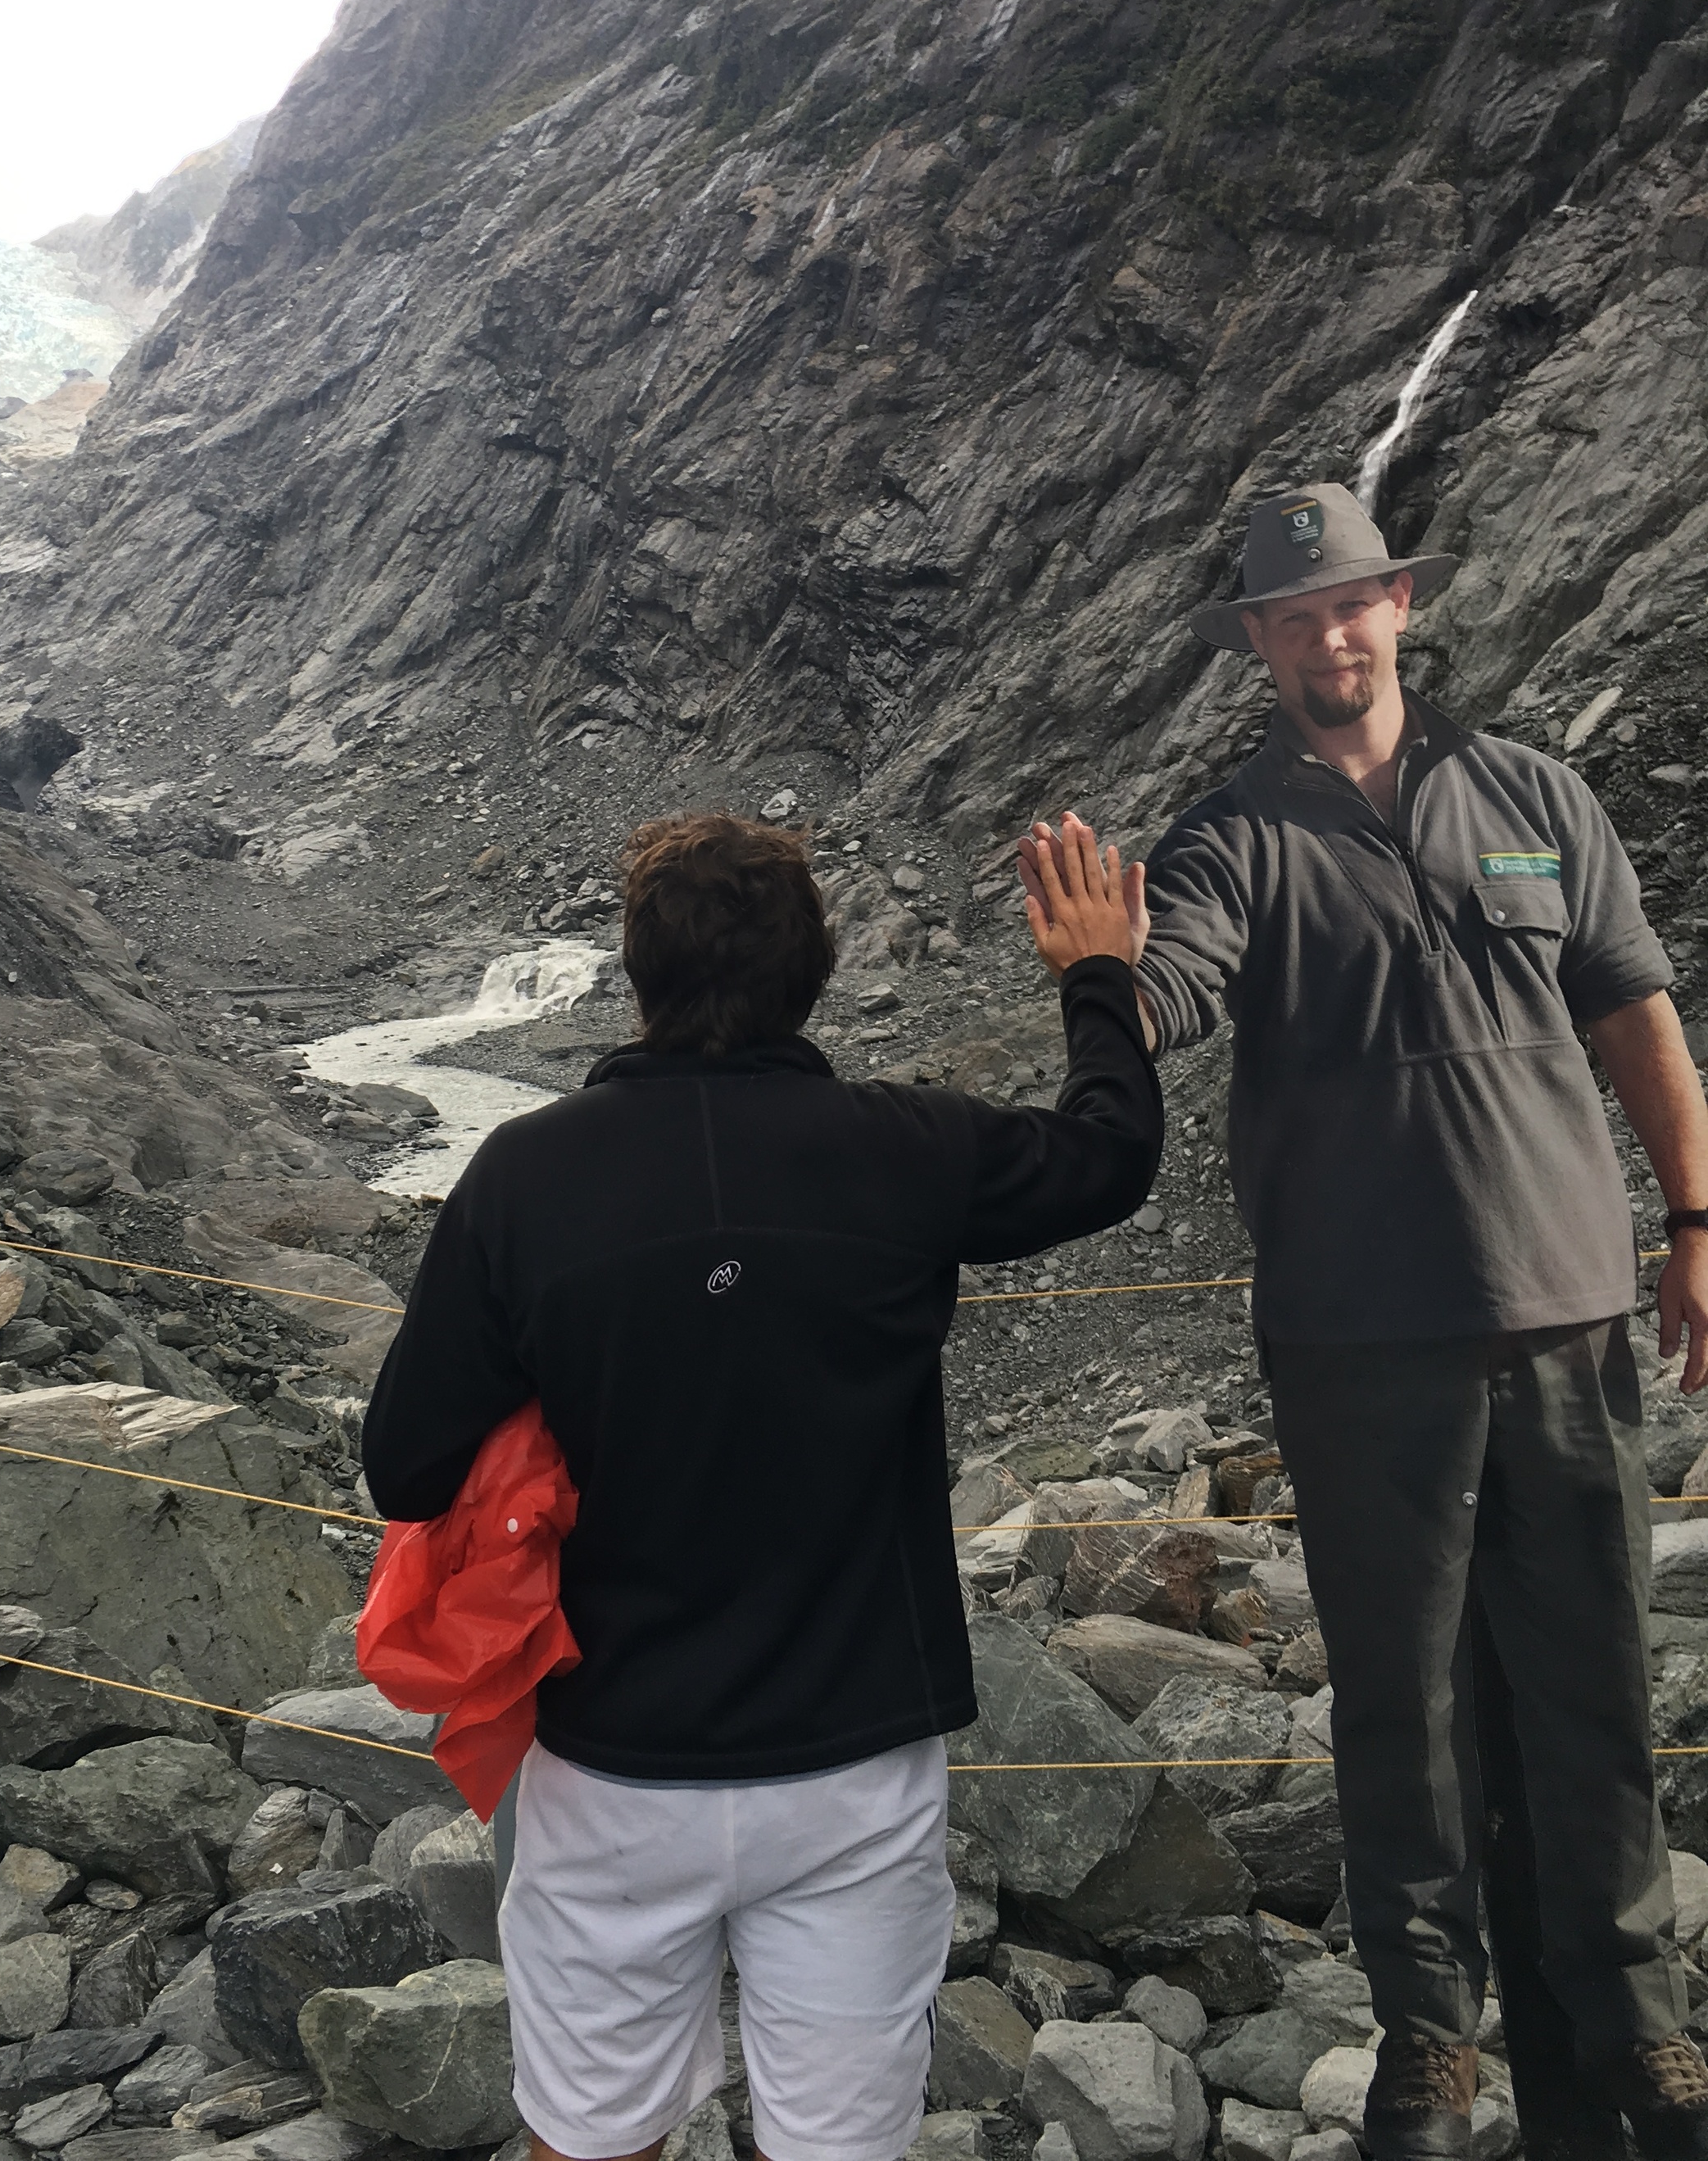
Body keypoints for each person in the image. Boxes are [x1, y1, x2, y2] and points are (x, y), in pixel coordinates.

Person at [1025, 481, 1708, 2161]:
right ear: (1257, 641)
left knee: (1596, 1684)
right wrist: (1102, 974)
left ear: (1395, 607)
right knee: (1396, 1701)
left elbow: (1630, 1011)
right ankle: (1423, 2026)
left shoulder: (1535, 795)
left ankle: (1632, 2013)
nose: (1330, 631)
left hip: (1565, 1316)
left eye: (1352, 601)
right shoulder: (1228, 835)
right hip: (1355, 1343)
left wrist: (1692, 1221)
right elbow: (1173, 984)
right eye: (1293, 612)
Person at [362, 808, 1160, 2161]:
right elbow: (1110, 1154)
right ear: (815, 969)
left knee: (593, 2137)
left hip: (609, 1759)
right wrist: (1097, 971)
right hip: (853, 1761)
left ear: (638, 971)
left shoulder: (523, 1178)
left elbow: (407, 1462)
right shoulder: (908, 1148)